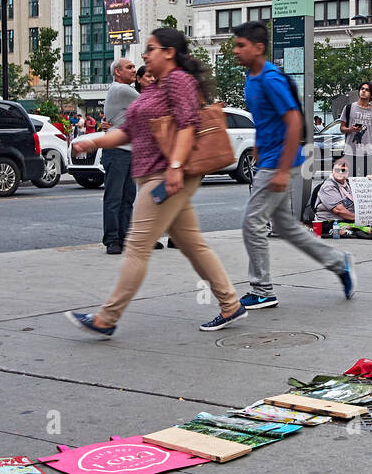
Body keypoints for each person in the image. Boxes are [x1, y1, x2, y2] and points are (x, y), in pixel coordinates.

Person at [65, 28, 246, 336]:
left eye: (151, 49)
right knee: (193, 244)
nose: (145, 55)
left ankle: (106, 318)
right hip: (156, 174)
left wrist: (175, 168)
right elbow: (128, 133)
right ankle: (230, 304)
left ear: (169, 52)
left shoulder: (179, 81)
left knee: (136, 246)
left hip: (166, 176)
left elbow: (188, 126)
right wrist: (93, 142)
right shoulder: (154, 88)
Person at [232, 21, 355, 310]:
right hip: (270, 161)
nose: (236, 51)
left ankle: (262, 289)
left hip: (280, 164)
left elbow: (293, 122)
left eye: (241, 46)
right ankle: (340, 264)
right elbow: (268, 121)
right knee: (287, 228)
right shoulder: (252, 78)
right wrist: (260, 148)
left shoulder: (270, 79)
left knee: (252, 223)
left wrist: (280, 168)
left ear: (259, 48)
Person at [100, 58, 140, 255]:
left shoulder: (120, 91)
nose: (133, 70)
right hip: (117, 152)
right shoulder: (121, 90)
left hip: (127, 151)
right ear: (117, 72)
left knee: (127, 198)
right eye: (129, 67)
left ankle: (124, 237)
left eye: (134, 67)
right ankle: (113, 240)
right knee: (115, 198)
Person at [339, 81, 372, 177]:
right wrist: (351, 129)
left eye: (367, 90)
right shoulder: (349, 108)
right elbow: (342, 128)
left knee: (366, 183)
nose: (363, 91)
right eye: (362, 89)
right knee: (349, 181)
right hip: (350, 152)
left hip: (368, 153)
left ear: (371, 94)